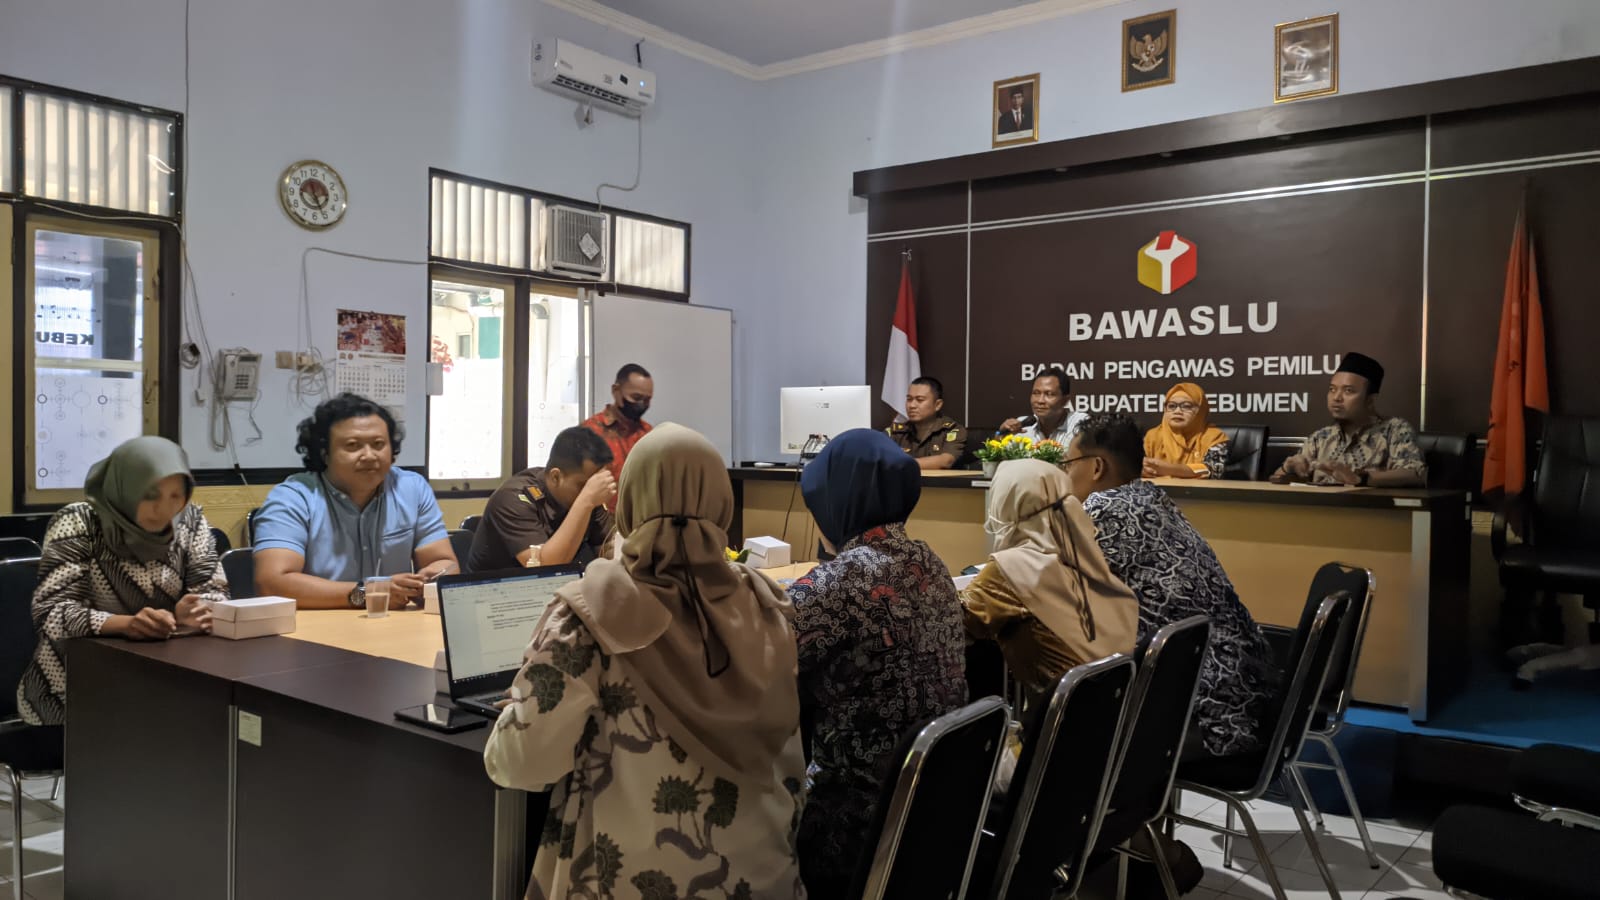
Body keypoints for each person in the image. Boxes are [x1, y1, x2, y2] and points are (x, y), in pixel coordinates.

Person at [483, 424, 805, 898]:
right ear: (723, 503)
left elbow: (522, 767)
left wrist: (517, 711)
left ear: (629, 502)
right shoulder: (769, 604)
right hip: (766, 877)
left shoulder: (586, 614)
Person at [788, 429, 968, 897]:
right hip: (935, 807)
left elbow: (753, 656)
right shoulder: (930, 562)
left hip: (851, 825)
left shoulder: (839, 582)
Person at [1066, 413, 1276, 758]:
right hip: (1251, 700)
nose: (1064, 473)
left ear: (1096, 467)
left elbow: (1048, 584)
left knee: (1061, 723)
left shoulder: (1101, 509)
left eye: (1068, 463)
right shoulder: (1153, 497)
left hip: (1206, 720)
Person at [16, 437, 228, 726]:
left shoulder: (189, 521)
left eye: (176, 496)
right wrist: (126, 625)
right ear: (126, 488)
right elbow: (52, 615)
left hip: (165, 687)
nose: (164, 509)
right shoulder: (80, 522)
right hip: (71, 696)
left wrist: (196, 610)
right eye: (150, 494)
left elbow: (216, 593)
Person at [254, 393, 457, 610]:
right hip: (316, 630)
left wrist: (430, 579)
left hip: (396, 625)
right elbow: (271, 583)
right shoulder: (293, 497)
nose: (369, 455)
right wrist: (365, 593)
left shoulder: (412, 488)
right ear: (324, 453)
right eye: (353, 446)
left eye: (378, 444)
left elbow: (447, 563)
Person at [961, 459, 1139, 699]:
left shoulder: (1015, 569)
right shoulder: (1080, 553)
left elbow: (955, 625)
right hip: (1110, 713)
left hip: (1059, 721)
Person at [466, 427, 616, 572]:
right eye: (583, 485)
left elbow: (608, 549)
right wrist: (586, 500)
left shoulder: (588, 498)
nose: (592, 489)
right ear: (555, 477)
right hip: (496, 592)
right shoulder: (512, 499)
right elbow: (545, 568)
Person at [1272, 352, 1427, 487]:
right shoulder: (1321, 438)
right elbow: (1276, 481)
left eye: (1348, 391)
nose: (1337, 398)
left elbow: (1415, 474)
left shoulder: (1394, 430)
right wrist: (1287, 468)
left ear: (1370, 400)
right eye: (1332, 390)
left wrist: (1360, 479)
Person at [581, 363, 654, 505]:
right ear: (616, 391)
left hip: (641, 522)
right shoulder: (589, 433)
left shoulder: (649, 435)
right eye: (636, 397)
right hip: (600, 523)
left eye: (647, 400)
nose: (641, 404)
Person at [1143, 383, 1230, 479]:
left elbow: (1211, 470)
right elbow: (1139, 468)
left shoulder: (1214, 437)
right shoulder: (1153, 436)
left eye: (1186, 406)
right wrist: (1144, 471)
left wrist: (1165, 469)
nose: (1177, 411)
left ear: (1200, 410)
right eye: (1172, 406)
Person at [884, 375, 969, 470]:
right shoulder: (895, 432)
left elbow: (946, 461)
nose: (912, 405)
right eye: (909, 399)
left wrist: (900, 464)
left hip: (937, 484)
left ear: (937, 405)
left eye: (919, 400)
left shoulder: (952, 430)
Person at [1000, 367, 1087, 447]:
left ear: (1065, 400)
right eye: (1036, 393)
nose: (1040, 401)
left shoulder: (1081, 424)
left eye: (1049, 394)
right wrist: (1000, 437)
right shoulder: (1021, 426)